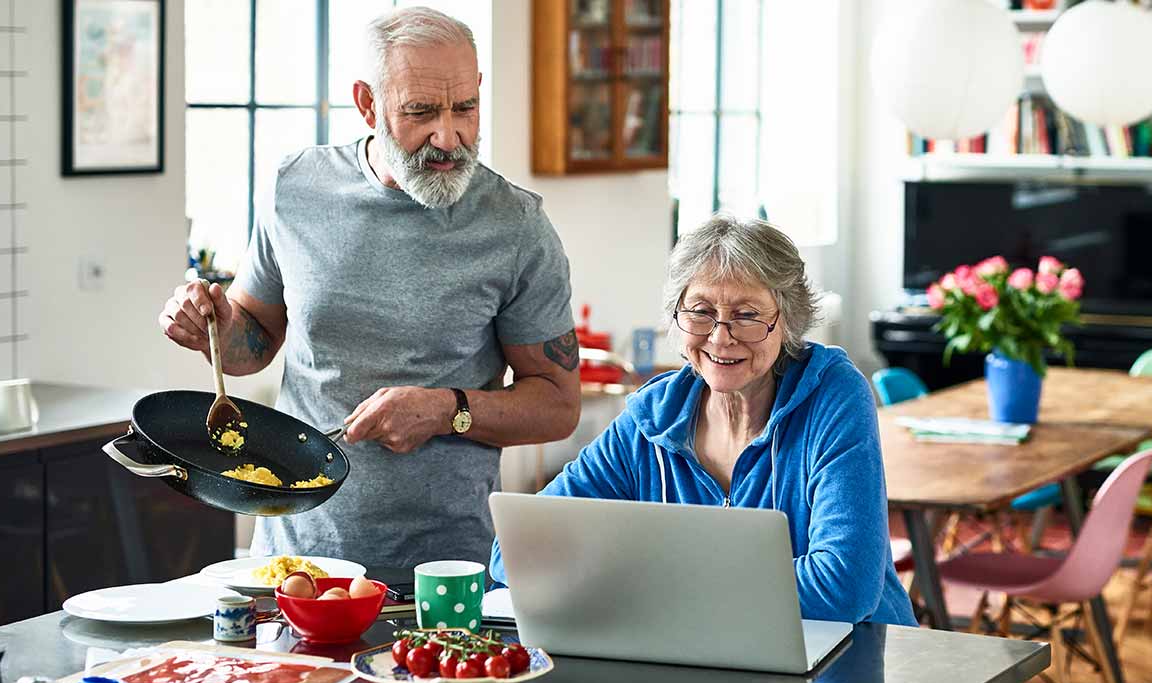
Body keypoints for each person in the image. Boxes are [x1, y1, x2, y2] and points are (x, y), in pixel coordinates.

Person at [158, 7, 581, 569]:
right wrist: (211, 326)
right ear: (367, 104)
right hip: (294, 562)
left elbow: (557, 404)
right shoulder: (297, 188)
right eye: (421, 111)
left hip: (444, 572)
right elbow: (252, 342)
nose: (448, 135)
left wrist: (446, 409)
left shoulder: (516, 227)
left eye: (466, 108)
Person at [490, 214, 916, 626]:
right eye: (700, 311)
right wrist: (685, 588)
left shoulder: (833, 396)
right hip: (706, 656)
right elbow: (514, 551)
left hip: (849, 660)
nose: (720, 336)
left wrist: (651, 583)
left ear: (788, 321)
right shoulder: (652, 419)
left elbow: (844, 587)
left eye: (748, 314)